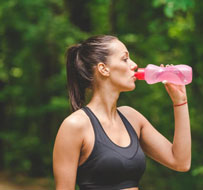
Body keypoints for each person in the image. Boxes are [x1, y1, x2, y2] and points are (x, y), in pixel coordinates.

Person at [53, 35, 191, 190]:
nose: (134, 65)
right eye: (125, 59)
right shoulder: (75, 126)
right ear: (103, 69)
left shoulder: (132, 118)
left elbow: (180, 162)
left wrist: (180, 101)